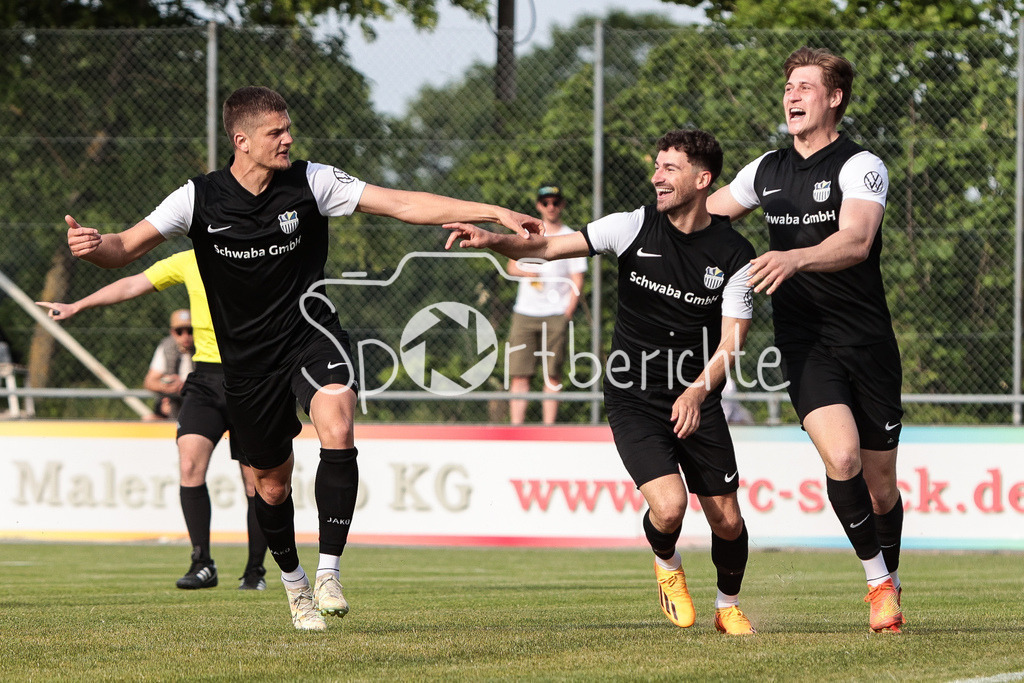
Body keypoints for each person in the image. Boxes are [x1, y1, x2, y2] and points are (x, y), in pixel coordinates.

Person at [63, 85, 541, 631]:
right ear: (241, 141)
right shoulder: (195, 199)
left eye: (288, 129)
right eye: (276, 132)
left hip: (310, 333)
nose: (289, 139)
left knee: (337, 417)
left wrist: (495, 211)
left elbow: (401, 202)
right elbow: (122, 248)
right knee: (271, 484)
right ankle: (295, 587)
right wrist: (93, 246)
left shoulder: (313, 182)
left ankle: (331, 570)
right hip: (246, 363)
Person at [446, 129, 758, 635]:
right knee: (671, 507)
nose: (657, 176)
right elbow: (547, 247)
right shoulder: (631, 226)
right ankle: (667, 566)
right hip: (633, 396)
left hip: (696, 398)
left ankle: (727, 606)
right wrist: (493, 239)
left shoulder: (735, 254)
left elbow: (732, 341)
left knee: (727, 520)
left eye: (670, 168)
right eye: (656, 166)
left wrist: (699, 390)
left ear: (703, 180)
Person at [706, 46, 905, 633]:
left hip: (868, 343)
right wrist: (643, 228)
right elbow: (704, 218)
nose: (791, 96)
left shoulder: (861, 165)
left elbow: (856, 241)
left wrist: (793, 259)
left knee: (881, 488)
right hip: (806, 342)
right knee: (840, 456)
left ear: (835, 97)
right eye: (788, 86)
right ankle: (877, 584)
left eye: (805, 87)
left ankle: (890, 580)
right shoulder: (764, 171)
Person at [37, 250, 270, 591]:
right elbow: (132, 284)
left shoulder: (257, 254)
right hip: (205, 381)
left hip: (252, 379)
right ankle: (202, 562)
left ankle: (255, 571)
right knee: (190, 464)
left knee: (257, 483)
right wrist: (77, 305)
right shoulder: (189, 259)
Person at [506, 183, 587, 425]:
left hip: (555, 314)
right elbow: (511, 266)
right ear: (538, 206)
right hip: (525, 312)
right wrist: (527, 273)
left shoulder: (572, 236)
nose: (550, 206)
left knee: (552, 374)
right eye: (545, 202)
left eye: (555, 202)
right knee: (519, 374)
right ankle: (515, 428)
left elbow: (578, 279)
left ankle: (548, 429)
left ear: (561, 204)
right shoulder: (526, 235)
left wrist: (567, 313)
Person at [143, 308, 194, 420]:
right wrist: (166, 386)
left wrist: (184, 386)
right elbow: (149, 382)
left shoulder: (204, 349)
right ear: (173, 333)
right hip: (171, 404)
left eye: (190, 331)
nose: (185, 336)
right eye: (180, 331)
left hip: (195, 403)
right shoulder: (166, 347)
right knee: (149, 419)